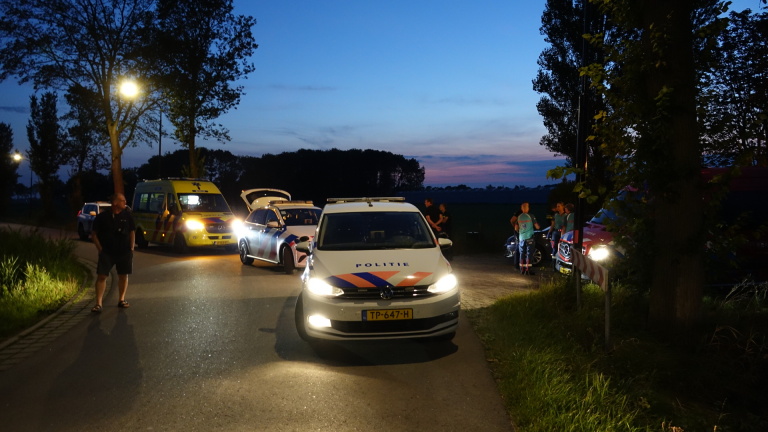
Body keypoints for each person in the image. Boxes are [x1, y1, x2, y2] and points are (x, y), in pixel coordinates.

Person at [91, 193, 136, 313]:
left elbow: (132, 232)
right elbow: (94, 234)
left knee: (123, 275)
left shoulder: (127, 216)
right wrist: (100, 248)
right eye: (122, 200)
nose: (125, 202)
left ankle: (121, 299)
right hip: (107, 252)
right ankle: (98, 303)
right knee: (102, 276)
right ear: (115, 202)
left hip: (124, 252)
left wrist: (131, 248)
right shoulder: (102, 217)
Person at [516, 202, 540, 275]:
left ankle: (522, 269)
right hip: (529, 237)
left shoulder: (519, 217)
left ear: (521, 208)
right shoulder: (531, 216)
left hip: (521, 238)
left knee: (522, 253)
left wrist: (521, 232)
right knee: (529, 253)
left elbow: (516, 228)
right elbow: (537, 227)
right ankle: (528, 270)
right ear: (527, 208)